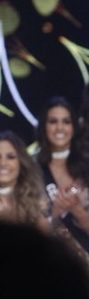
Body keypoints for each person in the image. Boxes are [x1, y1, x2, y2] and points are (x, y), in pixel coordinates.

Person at [34, 96, 89, 267]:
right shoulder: (32, 170)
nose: (60, 128)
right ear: (44, 126)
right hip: (52, 267)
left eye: (66, 122)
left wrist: (78, 212)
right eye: (53, 121)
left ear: (74, 126)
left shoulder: (86, 166)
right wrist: (55, 215)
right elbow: (26, 234)